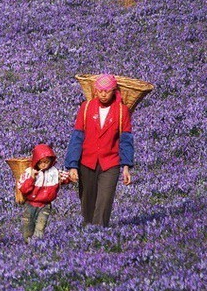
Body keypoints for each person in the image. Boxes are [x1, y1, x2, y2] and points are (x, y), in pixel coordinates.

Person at [65, 73, 134, 227]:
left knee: (104, 199)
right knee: (87, 201)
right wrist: (72, 165)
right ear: (95, 90)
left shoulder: (122, 111)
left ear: (114, 91)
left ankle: (98, 234)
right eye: (100, 90)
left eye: (107, 91)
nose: (103, 94)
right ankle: (88, 231)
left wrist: (126, 166)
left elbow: (126, 140)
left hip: (110, 162)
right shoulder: (86, 107)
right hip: (87, 161)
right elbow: (77, 137)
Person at [18, 143, 69, 242]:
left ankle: (37, 244)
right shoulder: (29, 172)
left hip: (45, 205)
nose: (44, 164)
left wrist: (73, 176)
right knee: (28, 225)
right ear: (36, 161)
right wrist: (32, 178)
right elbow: (23, 189)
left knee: (40, 226)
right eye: (41, 162)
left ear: (51, 161)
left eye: (47, 162)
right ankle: (27, 244)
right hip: (30, 204)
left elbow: (66, 177)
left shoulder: (55, 172)